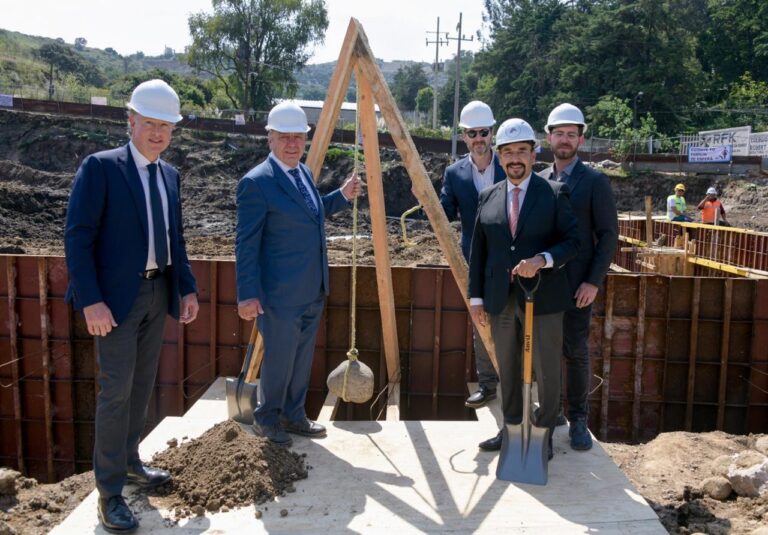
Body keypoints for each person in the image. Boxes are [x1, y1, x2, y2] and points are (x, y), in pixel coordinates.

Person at [64, 79, 199, 534]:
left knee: (141, 387)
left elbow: (175, 239)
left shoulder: (170, 176)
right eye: (150, 124)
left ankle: (129, 462)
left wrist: (186, 289)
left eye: (166, 126)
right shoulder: (101, 168)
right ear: (131, 121)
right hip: (115, 303)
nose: (158, 134)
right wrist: (91, 301)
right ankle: (109, 493)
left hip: (158, 293)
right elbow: (78, 238)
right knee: (116, 393)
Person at [236, 101, 362, 447]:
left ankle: (293, 415)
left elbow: (312, 212)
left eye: (298, 137)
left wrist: (342, 196)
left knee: (301, 358)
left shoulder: (303, 173)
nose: (292, 144)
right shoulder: (256, 183)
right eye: (285, 137)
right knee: (279, 359)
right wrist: (247, 294)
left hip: (311, 288)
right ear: (270, 138)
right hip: (279, 294)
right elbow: (246, 245)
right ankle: (266, 418)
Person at [469, 118, 579, 460]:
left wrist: (543, 259)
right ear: (499, 156)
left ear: (533, 155)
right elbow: (479, 252)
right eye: (508, 152)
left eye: (521, 151)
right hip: (501, 299)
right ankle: (512, 430)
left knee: (546, 370)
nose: (515, 158)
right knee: (508, 367)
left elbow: (573, 241)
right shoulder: (488, 196)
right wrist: (476, 298)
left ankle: (543, 434)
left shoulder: (554, 193)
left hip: (543, 298)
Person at [539, 103, 618, 451]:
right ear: (549, 137)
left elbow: (608, 235)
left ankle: (579, 419)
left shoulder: (595, 182)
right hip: (544, 284)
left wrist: (593, 281)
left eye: (571, 134)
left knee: (575, 350)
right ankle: (551, 411)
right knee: (546, 352)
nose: (565, 139)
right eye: (559, 133)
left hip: (577, 286)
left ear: (581, 140)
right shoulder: (540, 181)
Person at [439, 100, 505, 409]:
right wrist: (424, 199)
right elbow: (445, 212)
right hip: (473, 258)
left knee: (515, 317)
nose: (479, 139)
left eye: (483, 132)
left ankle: (517, 382)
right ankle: (488, 384)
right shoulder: (455, 173)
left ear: (492, 132)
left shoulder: (509, 165)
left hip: (510, 257)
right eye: (472, 133)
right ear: (464, 136)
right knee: (481, 317)